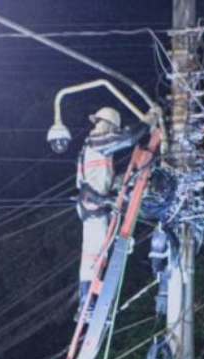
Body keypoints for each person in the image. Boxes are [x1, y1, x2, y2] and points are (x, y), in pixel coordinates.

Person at [75, 106, 146, 316]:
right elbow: (129, 137)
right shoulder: (97, 143)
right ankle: (86, 303)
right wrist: (149, 121)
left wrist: (128, 181)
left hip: (97, 205)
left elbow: (106, 181)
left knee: (99, 252)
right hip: (94, 206)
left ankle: (91, 300)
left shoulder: (97, 149)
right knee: (93, 255)